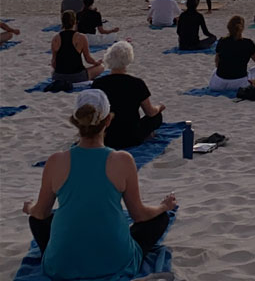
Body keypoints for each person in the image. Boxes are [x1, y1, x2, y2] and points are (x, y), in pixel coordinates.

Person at [23, 90, 177, 280]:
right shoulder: (122, 160)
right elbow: (139, 215)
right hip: (114, 262)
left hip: (62, 265)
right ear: (108, 121)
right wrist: (164, 206)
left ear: (75, 121)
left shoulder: (56, 161)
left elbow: (40, 213)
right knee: (159, 219)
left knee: (37, 220)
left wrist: (29, 207)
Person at [92, 42, 165, 149]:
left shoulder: (98, 83)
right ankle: (148, 135)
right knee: (157, 116)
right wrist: (159, 108)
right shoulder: (137, 83)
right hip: (132, 136)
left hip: (106, 136)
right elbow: (150, 112)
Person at [209, 16, 255, 91]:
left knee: (215, 70)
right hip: (240, 83)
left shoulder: (222, 41)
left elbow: (217, 62)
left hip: (218, 84)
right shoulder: (248, 43)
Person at [51, 10, 104, 85]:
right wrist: (97, 63)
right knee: (101, 67)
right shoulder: (81, 37)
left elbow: (54, 63)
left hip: (58, 76)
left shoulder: (55, 38)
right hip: (77, 76)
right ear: (75, 22)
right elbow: (88, 59)